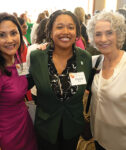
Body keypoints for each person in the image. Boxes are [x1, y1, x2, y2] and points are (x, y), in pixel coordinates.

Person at [29, 9, 92, 150]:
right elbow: (22, 84)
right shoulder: (37, 57)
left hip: (73, 126)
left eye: (71, 27)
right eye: (59, 27)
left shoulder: (85, 58)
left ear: (77, 32)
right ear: (50, 32)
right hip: (46, 126)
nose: (65, 31)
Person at [0, 13, 37, 150]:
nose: (10, 40)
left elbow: (20, 81)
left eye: (13, 33)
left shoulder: (15, 56)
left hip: (24, 127)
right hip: (7, 137)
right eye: (2, 35)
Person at [87, 11, 126, 150]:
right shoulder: (95, 62)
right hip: (98, 139)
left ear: (118, 34)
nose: (103, 39)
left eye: (109, 33)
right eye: (98, 34)